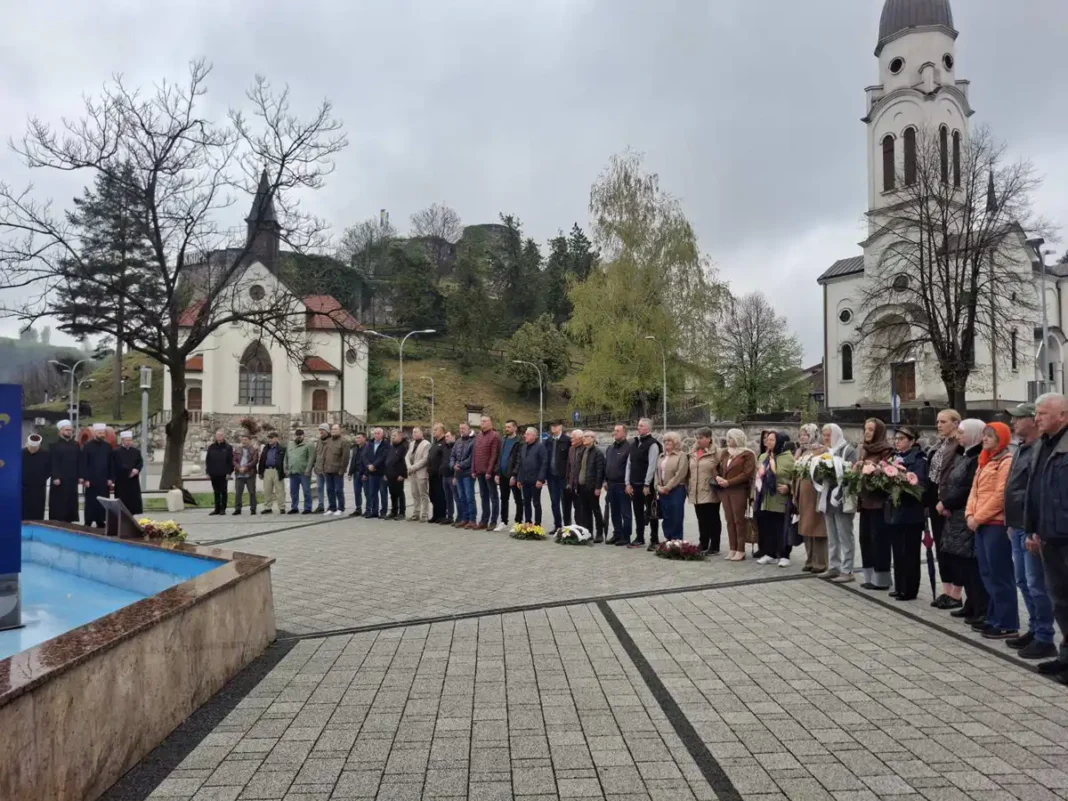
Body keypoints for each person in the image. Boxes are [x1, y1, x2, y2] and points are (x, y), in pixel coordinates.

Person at [1003, 403, 1056, 659]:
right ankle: (1035, 629)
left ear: (1032, 421)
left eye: (1018, 418)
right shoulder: (1022, 448)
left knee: (1037, 584)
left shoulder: (1040, 449)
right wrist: (1010, 522)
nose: (1013, 423)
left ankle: (1045, 636)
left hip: (1031, 526)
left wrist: (1034, 528)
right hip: (1017, 524)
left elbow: (1038, 493)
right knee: (1023, 581)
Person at [1026, 393, 1068, 684]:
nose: (1036, 418)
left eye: (1042, 413)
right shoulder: (1042, 444)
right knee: (1060, 601)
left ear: (1062, 416)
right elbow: (1034, 490)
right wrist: (1031, 528)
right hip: (1049, 536)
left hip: (1065, 535)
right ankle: (1065, 658)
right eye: (1036, 413)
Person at [965, 421, 1017, 638]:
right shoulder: (984, 460)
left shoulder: (1005, 461)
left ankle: (1007, 623)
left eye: (990, 436)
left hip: (995, 524)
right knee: (987, 573)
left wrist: (978, 517)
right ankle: (994, 616)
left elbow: (1000, 495)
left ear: (1001, 439)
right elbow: (974, 491)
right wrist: (969, 514)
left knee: (1000, 574)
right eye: (984, 435)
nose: (984, 439)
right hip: (981, 523)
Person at [939, 419, 988, 626]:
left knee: (970, 563)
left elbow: (967, 488)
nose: (958, 436)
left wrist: (947, 502)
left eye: (961, 432)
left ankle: (980, 606)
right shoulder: (966, 454)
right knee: (962, 562)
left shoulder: (976, 457)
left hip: (966, 514)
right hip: (958, 514)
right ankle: (971, 602)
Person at [885, 426, 928, 601]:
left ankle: (909, 589)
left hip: (911, 513)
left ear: (912, 441)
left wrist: (902, 478)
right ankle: (899, 586)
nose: (897, 442)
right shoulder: (894, 457)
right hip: (895, 512)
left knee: (909, 553)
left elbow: (919, 484)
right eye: (895, 439)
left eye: (901, 439)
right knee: (897, 551)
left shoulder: (919, 459)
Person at [928, 410, 964, 609]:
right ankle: (946, 590)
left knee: (953, 548)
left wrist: (948, 502)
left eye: (943, 422)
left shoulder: (959, 445)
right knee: (940, 546)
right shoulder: (939, 445)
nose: (939, 425)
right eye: (937, 422)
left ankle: (956, 594)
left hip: (950, 501)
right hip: (936, 499)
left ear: (956, 423)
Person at [817, 424, 858, 581]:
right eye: (824, 435)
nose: (826, 438)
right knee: (832, 536)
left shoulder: (848, 451)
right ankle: (834, 566)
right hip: (828, 498)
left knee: (844, 535)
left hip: (842, 498)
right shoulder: (826, 452)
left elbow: (852, 473)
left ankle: (847, 570)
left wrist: (836, 473)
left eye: (829, 435)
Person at [857, 418, 894, 589]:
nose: (867, 432)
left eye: (871, 429)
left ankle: (882, 580)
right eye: (865, 429)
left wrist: (874, 468)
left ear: (879, 432)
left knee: (879, 541)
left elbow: (889, 473)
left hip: (879, 503)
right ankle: (869, 577)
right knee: (865, 540)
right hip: (865, 502)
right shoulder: (865, 449)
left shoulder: (886, 450)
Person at [755, 431, 794, 566]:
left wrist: (789, 487)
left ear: (780, 442)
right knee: (767, 527)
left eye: (772, 440)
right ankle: (769, 553)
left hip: (780, 498)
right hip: (765, 498)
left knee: (781, 527)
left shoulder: (788, 458)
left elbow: (796, 477)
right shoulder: (764, 456)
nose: (768, 442)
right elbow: (758, 475)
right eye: (767, 439)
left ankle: (784, 555)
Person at [715, 429, 755, 562]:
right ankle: (732, 548)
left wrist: (729, 482)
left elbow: (746, 473)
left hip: (738, 490)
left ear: (738, 439)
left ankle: (740, 549)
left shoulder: (747, 454)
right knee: (729, 520)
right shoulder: (725, 453)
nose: (728, 440)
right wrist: (717, 477)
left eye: (731, 438)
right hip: (724, 490)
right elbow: (716, 467)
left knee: (739, 520)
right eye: (728, 437)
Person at [793, 423, 828, 574]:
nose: (802, 437)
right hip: (803, 495)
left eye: (806, 434)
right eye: (801, 434)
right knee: (806, 528)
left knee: (818, 528)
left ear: (814, 435)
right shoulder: (802, 452)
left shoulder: (821, 450)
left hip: (815, 494)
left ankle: (820, 562)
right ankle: (809, 559)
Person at [625, 418, 661, 549]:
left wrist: (647, 483)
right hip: (634, 484)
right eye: (638, 425)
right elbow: (629, 464)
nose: (638, 427)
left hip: (647, 486)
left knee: (652, 512)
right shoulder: (633, 443)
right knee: (638, 512)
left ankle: (654, 539)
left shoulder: (653, 444)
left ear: (648, 428)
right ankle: (639, 537)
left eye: (641, 426)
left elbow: (652, 465)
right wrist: (627, 483)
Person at [687, 427, 722, 555]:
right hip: (696, 490)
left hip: (710, 490)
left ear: (709, 438)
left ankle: (715, 545)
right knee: (701, 518)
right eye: (697, 438)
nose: (698, 440)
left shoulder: (717, 452)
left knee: (712, 518)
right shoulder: (693, 452)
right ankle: (703, 543)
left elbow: (722, 469)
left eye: (701, 438)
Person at [655, 431, 689, 542]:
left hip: (676, 490)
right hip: (662, 490)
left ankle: (676, 538)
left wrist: (668, 487)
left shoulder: (681, 455)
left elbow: (680, 474)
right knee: (666, 515)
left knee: (676, 515)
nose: (666, 442)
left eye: (669, 440)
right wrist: (658, 486)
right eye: (665, 440)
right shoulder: (661, 456)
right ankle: (668, 538)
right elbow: (657, 473)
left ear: (675, 442)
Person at [573, 431, 606, 542]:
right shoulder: (583, 451)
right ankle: (589, 532)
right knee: (585, 510)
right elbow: (579, 468)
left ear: (593, 438)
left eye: (586, 436)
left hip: (592, 486)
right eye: (584, 436)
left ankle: (599, 533)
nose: (584, 438)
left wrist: (598, 487)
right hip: (582, 485)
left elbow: (600, 471)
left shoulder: (597, 453)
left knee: (595, 509)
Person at [604, 425, 633, 546]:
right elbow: (606, 465)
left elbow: (631, 467)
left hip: (622, 485)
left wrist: (628, 484)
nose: (614, 432)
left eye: (617, 431)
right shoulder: (610, 448)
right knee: (614, 512)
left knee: (625, 512)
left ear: (625, 434)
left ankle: (626, 536)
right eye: (614, 430)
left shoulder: (629, 448)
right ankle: (617, 534)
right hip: (611, 485)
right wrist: (605, 481)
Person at [80, 422, 113, 528]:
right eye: (99, 433)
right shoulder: (87, 446)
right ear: (94, 433)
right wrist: (85, 479)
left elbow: (111, 463)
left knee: (103, 500)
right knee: (91, 501)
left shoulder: (108, 447)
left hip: (104, 479)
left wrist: (110, 478)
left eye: (103, 433)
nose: (102, 435)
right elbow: (84, 463)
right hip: (91, 480)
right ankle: (88, 521)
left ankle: (101, 520)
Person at [472, 415, 502, 531]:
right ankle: (484, 520)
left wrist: (490, 471)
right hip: (480, 471)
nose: (482, 423)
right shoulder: (478, 436)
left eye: (484, 421)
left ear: (490, 423)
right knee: (483, 497)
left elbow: (494, 455)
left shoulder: (495, 436)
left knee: (493, 497)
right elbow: (475, 454)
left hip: (490, 472)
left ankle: (493, 521)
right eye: (481, 421)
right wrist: (473, 469)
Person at [515, 427, 548, 525]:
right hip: (525, 480)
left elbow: (544, 463)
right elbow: (520, 463)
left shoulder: (540, 447)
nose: (525, 435)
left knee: (536, 503)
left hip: (536, 480)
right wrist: (519, 479)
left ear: (534, 436)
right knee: (526, 502)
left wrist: (540, 479)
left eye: (527, 434)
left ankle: (537, 524)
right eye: (525, 434)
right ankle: (528, 522)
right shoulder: (523, 446)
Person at [495, 420, 523, 531]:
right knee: (503, 498)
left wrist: (514, 475)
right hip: (502, 475)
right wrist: (497, 473)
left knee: (518, 499)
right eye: (506, 427)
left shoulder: (519, 441)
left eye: (509, 427)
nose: (506, 429)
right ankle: (503, 521)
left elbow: (519, 460)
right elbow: (499, 457)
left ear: (515, 428)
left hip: (513, 476)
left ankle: (518, 522)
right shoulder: (503, 440)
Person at [547, 422, 573, 535]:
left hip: (563, 477)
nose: (554, 428)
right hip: (551, 476)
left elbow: (570, 459)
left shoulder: (567, 440)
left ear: (561, 427)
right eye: (552, 426)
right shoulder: (549, 441)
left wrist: (569, 476)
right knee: (554, 502)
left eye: (556, 426)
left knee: (565, 502)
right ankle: (557, 525)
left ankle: (567, 526)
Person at [111, 430, 144, 516]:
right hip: (121, 480)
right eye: (127, 440)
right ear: (122, 440)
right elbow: (117, 464)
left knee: (133, 501)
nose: (129, 442)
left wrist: (136, 469)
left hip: (133, 480)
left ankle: (132, 516)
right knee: (122, 500)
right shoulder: (116, 452)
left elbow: (140, 462)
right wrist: (130, 471)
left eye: (130, 440)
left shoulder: (136, 451)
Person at [451, 423, 476, 528]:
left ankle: (472, 519)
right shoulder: (458, 441)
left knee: (469, 497)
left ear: (469, 429)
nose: (461, 430)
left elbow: (472, 458)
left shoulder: (473, 441)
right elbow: (452, 455)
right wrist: (453, 465)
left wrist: (460, 465)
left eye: (464, 428)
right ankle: (465, 519)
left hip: (467, 473)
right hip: (458, 474)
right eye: (460, 428)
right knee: (462, 497)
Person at [284, 429, 315, 514]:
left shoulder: (309, 445)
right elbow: (286, 458)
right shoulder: (290, 445)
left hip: (304, 472)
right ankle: (294, 507)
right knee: (293, 491)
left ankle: (308, 508)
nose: (298, 436)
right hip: (293, 472)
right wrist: (285, 468)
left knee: (306, 491)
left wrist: (308, 469)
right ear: (294, 436)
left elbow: (311, 458)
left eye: (300, 435)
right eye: (297, 435)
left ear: (303, 435)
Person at [205, 429, 234, 516]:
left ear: (223, 436)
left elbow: (230, 461)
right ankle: (216, 509)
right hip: (214, 473)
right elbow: (208, 460)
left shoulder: (228, 447)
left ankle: (223, 509)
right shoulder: (211, 447)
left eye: (221, 435)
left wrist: (229, 472)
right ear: (215, 436)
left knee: (223, 491)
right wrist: (208, 472)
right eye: (217, 435)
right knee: (216, 491)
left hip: (224, 473)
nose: (219, 436)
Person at [21, 433, 50, 520]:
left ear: (39, 445)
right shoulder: (20, 454)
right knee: (23, 511)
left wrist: (40, 479)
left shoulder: (45, 454)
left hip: (39, 487)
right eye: (31, 447)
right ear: (27, 444)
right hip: (23, 487)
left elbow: (48, 470)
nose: (33, 449)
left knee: (37, 511)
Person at [257, 431, 286, 515]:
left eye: (272, 438)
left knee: (280, 490)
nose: (270, 440)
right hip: (267, 470)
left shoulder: (282, 448)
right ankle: (267, 507)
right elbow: (262, 460)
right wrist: (260, 472)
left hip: (277, 470)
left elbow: (285, 460)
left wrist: (284, 471)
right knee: (267, 490)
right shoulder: (265, 448)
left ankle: (282, 507)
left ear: (276, 438)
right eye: (269, 438)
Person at [406, 427, 431, 522]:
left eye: (416, 432)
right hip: (412, 473)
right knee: (414, 493)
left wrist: (413, 467)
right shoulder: (411, 443)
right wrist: (409, 466)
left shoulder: (426, 444)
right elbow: (407, 456)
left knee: (423, 494)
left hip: (421, 472)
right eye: (413, 432)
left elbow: (425, 459)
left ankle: (424, 514)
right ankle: (416, 513)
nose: (414, 434)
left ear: (421, 433)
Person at [363, 428, 389, 519]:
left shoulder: (386, 444)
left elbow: (383, 457)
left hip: (381, 472)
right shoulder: (369, 444)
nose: (376, 435)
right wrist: (369, 466)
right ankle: (374, 511)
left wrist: (374, 465)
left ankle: (383, 512)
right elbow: (364, 456)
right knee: (372, 493)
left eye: (378, 433)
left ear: (382, 434)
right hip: (372, 473)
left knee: (383, 493)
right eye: (375, 433)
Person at [232, 433, 260, 515]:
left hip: (250, 474)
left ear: (249, 441)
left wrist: (246, 467)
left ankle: (253, 508)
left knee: (252, 492)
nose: (244, 441)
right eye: (243, 440)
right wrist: (239, 468)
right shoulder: (237, 449)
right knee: (238, 492)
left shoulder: (254, 450)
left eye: (246, 440)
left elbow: (255, 461)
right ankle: (237, 509)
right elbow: (234, 460)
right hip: (239, 473)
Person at [427, 424, 449, 523]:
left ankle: (442, 515)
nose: (434, 431)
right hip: (431, 474)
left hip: (439, 474)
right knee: (432, 495)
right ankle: (435, 515)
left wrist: (440, 470)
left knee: (440, 495)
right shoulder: (434, 443)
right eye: (433, 430)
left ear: (442, 430)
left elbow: (444, 458)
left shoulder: (444, 442)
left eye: (436, 429)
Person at [385, 429, 409, 520]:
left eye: (394, 435)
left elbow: (405, 462)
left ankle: (402, 512)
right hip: (390, 474)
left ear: (400, 436)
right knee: (392, 493)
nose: (392, 437)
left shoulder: (403, 447)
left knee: (399, 493)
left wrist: (403, 475)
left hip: (399, 475)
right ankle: (394, 511)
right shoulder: (391, 447)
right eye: (392, 436)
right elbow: (387, 460)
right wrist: (386, 473)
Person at [346, 432, 368, 517]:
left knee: (367, 492)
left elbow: (369, 461)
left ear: (364, 438)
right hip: (356, 473)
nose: (357, 439)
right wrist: (350, 473)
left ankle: (368, 509)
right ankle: (358, 509)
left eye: (359, 438)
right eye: (356, 438)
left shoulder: (368, 448)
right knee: (357, 492)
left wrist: (366, 473)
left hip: (364, 473)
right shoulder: (355, 448)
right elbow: (353, 461)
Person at [313, 423, 330, 513]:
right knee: (319, 488)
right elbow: (316, 452)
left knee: (329, 488)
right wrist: (315, 464)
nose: (321, 432)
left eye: (322, 430)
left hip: (328, 468)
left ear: (327, 431)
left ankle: (331, 505)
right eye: (320, 430)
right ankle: (320, 505)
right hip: (319, 468)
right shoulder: (319, 441)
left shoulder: (331, 440)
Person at [442, 430, 457, 524]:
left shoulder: (456, 447)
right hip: (445, 476)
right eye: (445, 437)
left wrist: (455, 476)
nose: (446, 438)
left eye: (448, 436)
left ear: (453, 436)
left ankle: (460, 517)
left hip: (452, 476)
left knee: (456, 497)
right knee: (448, 498)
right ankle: (450, 516)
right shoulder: (445, 447)